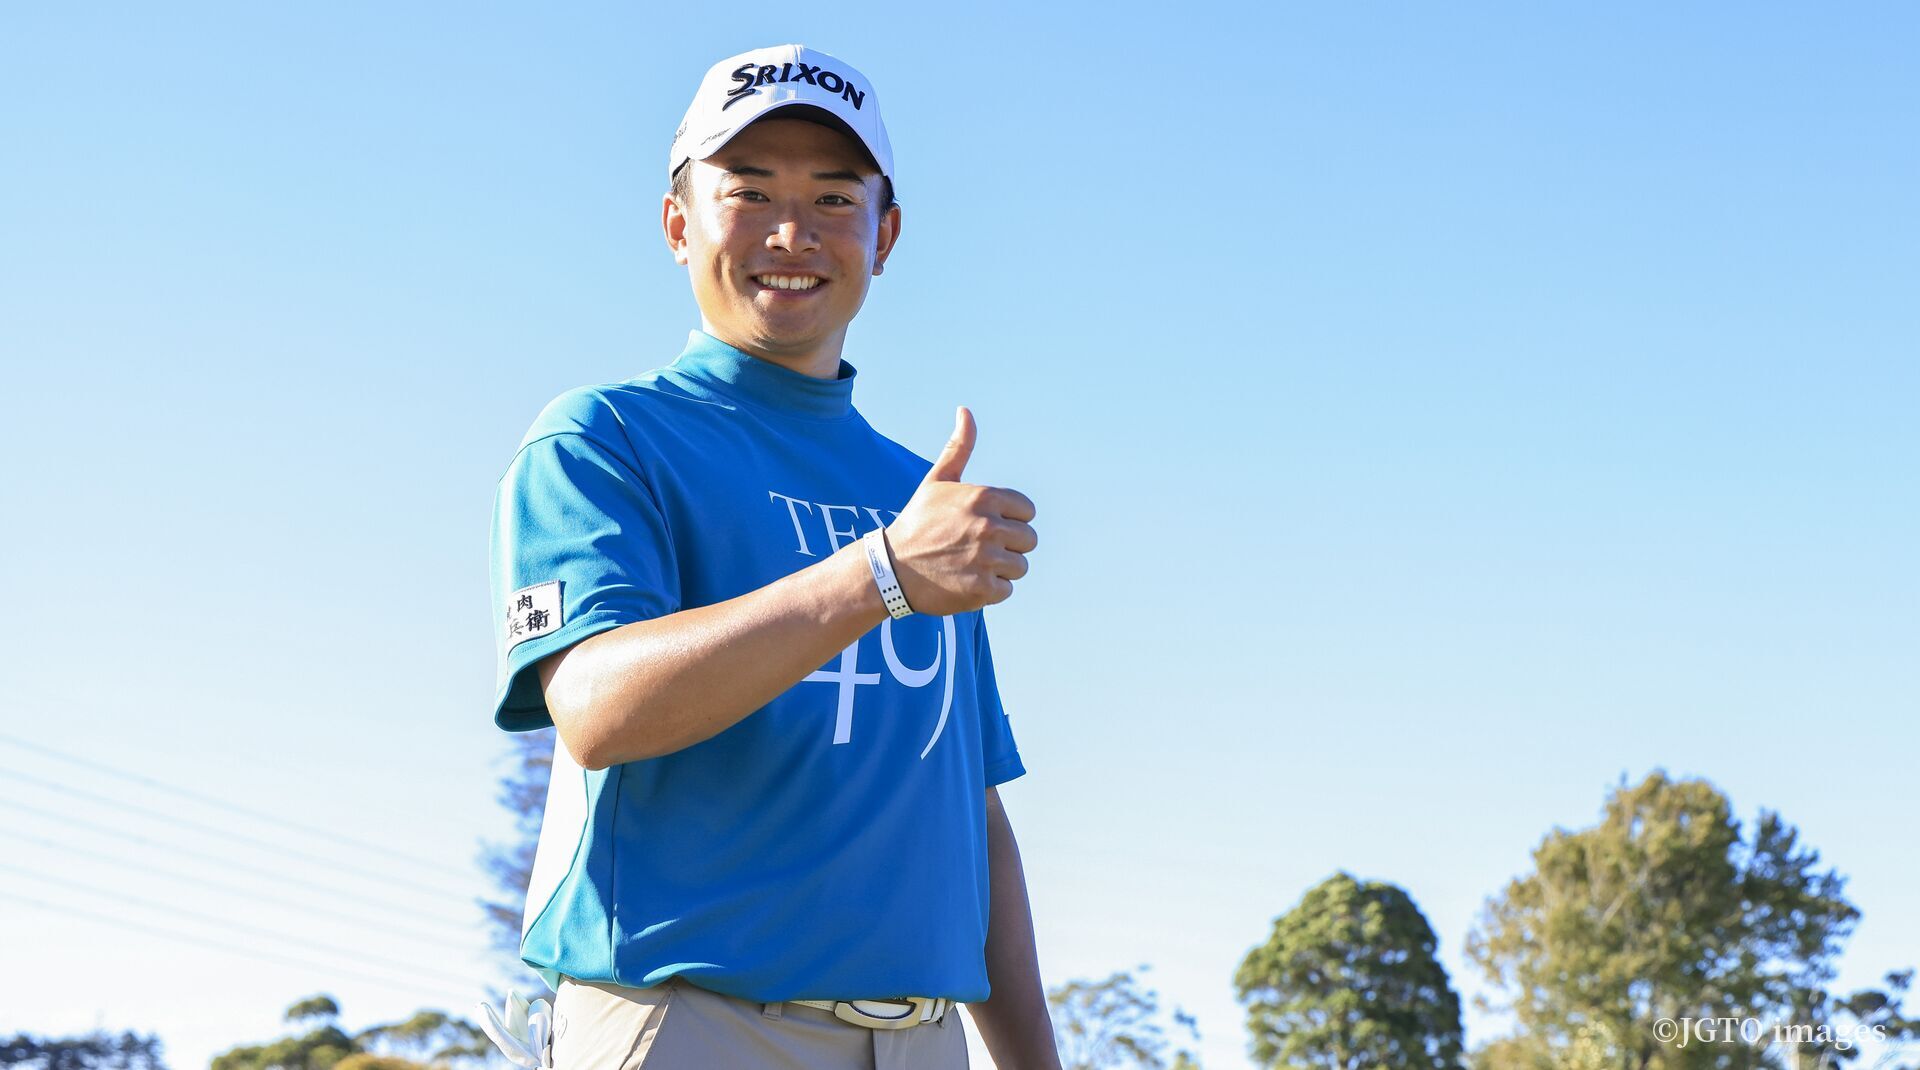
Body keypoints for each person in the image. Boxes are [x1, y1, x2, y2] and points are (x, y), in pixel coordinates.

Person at [485, 44, 1059, 1069]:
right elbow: (598, 709)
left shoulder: (917, 492)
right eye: (748, 192)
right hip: (693, 1023)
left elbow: (968, 809)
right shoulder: (601, 439)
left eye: (835, 198)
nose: (792, 232)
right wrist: (877, 574)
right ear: (678, 225)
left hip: (923, 1040)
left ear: (884, 236)